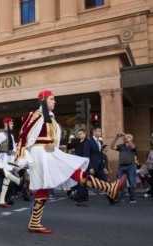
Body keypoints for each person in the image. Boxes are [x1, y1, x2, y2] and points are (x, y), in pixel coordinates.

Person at [15, 90, 126, 234]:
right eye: (52, 99)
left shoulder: (51, 118)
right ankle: (107, 188)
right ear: (44, 101)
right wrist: (20, 156)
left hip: (49, 152)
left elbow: (52, 138)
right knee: (72, 170)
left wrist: (52, 146)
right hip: (40, 153)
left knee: (45, 188)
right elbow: (23, 135)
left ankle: (34, 223)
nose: (55, 102)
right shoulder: (35, 115)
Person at [0, 117, 20, 208]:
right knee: (3, 177)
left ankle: (4, 199)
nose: (12, 125)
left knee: (7, 179)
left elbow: (13, 148)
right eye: (11, 123)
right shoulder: (1, 135)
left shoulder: (11, 135)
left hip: (9, 158)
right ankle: (1, 196)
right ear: (6, 124)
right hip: (3, 158)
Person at [110, 133, 137, 203]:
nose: (125, 138)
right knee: (119, 183)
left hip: (131, 166)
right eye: (125, 137)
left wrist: (126, 138)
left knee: (131, 183)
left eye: (128, 137)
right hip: (121, 166)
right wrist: (116, 138)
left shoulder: (133, 145)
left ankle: (132, 198)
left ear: (132, 139)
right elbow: (112, 147)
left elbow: (133, 147)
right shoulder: (121, 146)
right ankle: (119, 197)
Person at [67, 129, 89, 206]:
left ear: (85, 133)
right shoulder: (76, 141)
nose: (79, 135)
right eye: (78, 134)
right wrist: (69, 140)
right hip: (77, 161)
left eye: (80, 134)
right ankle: (81, 195)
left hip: (85, 161)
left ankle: (82, 196)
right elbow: (69, 147)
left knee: (83, 179)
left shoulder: (87, 141)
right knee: (80, 179)